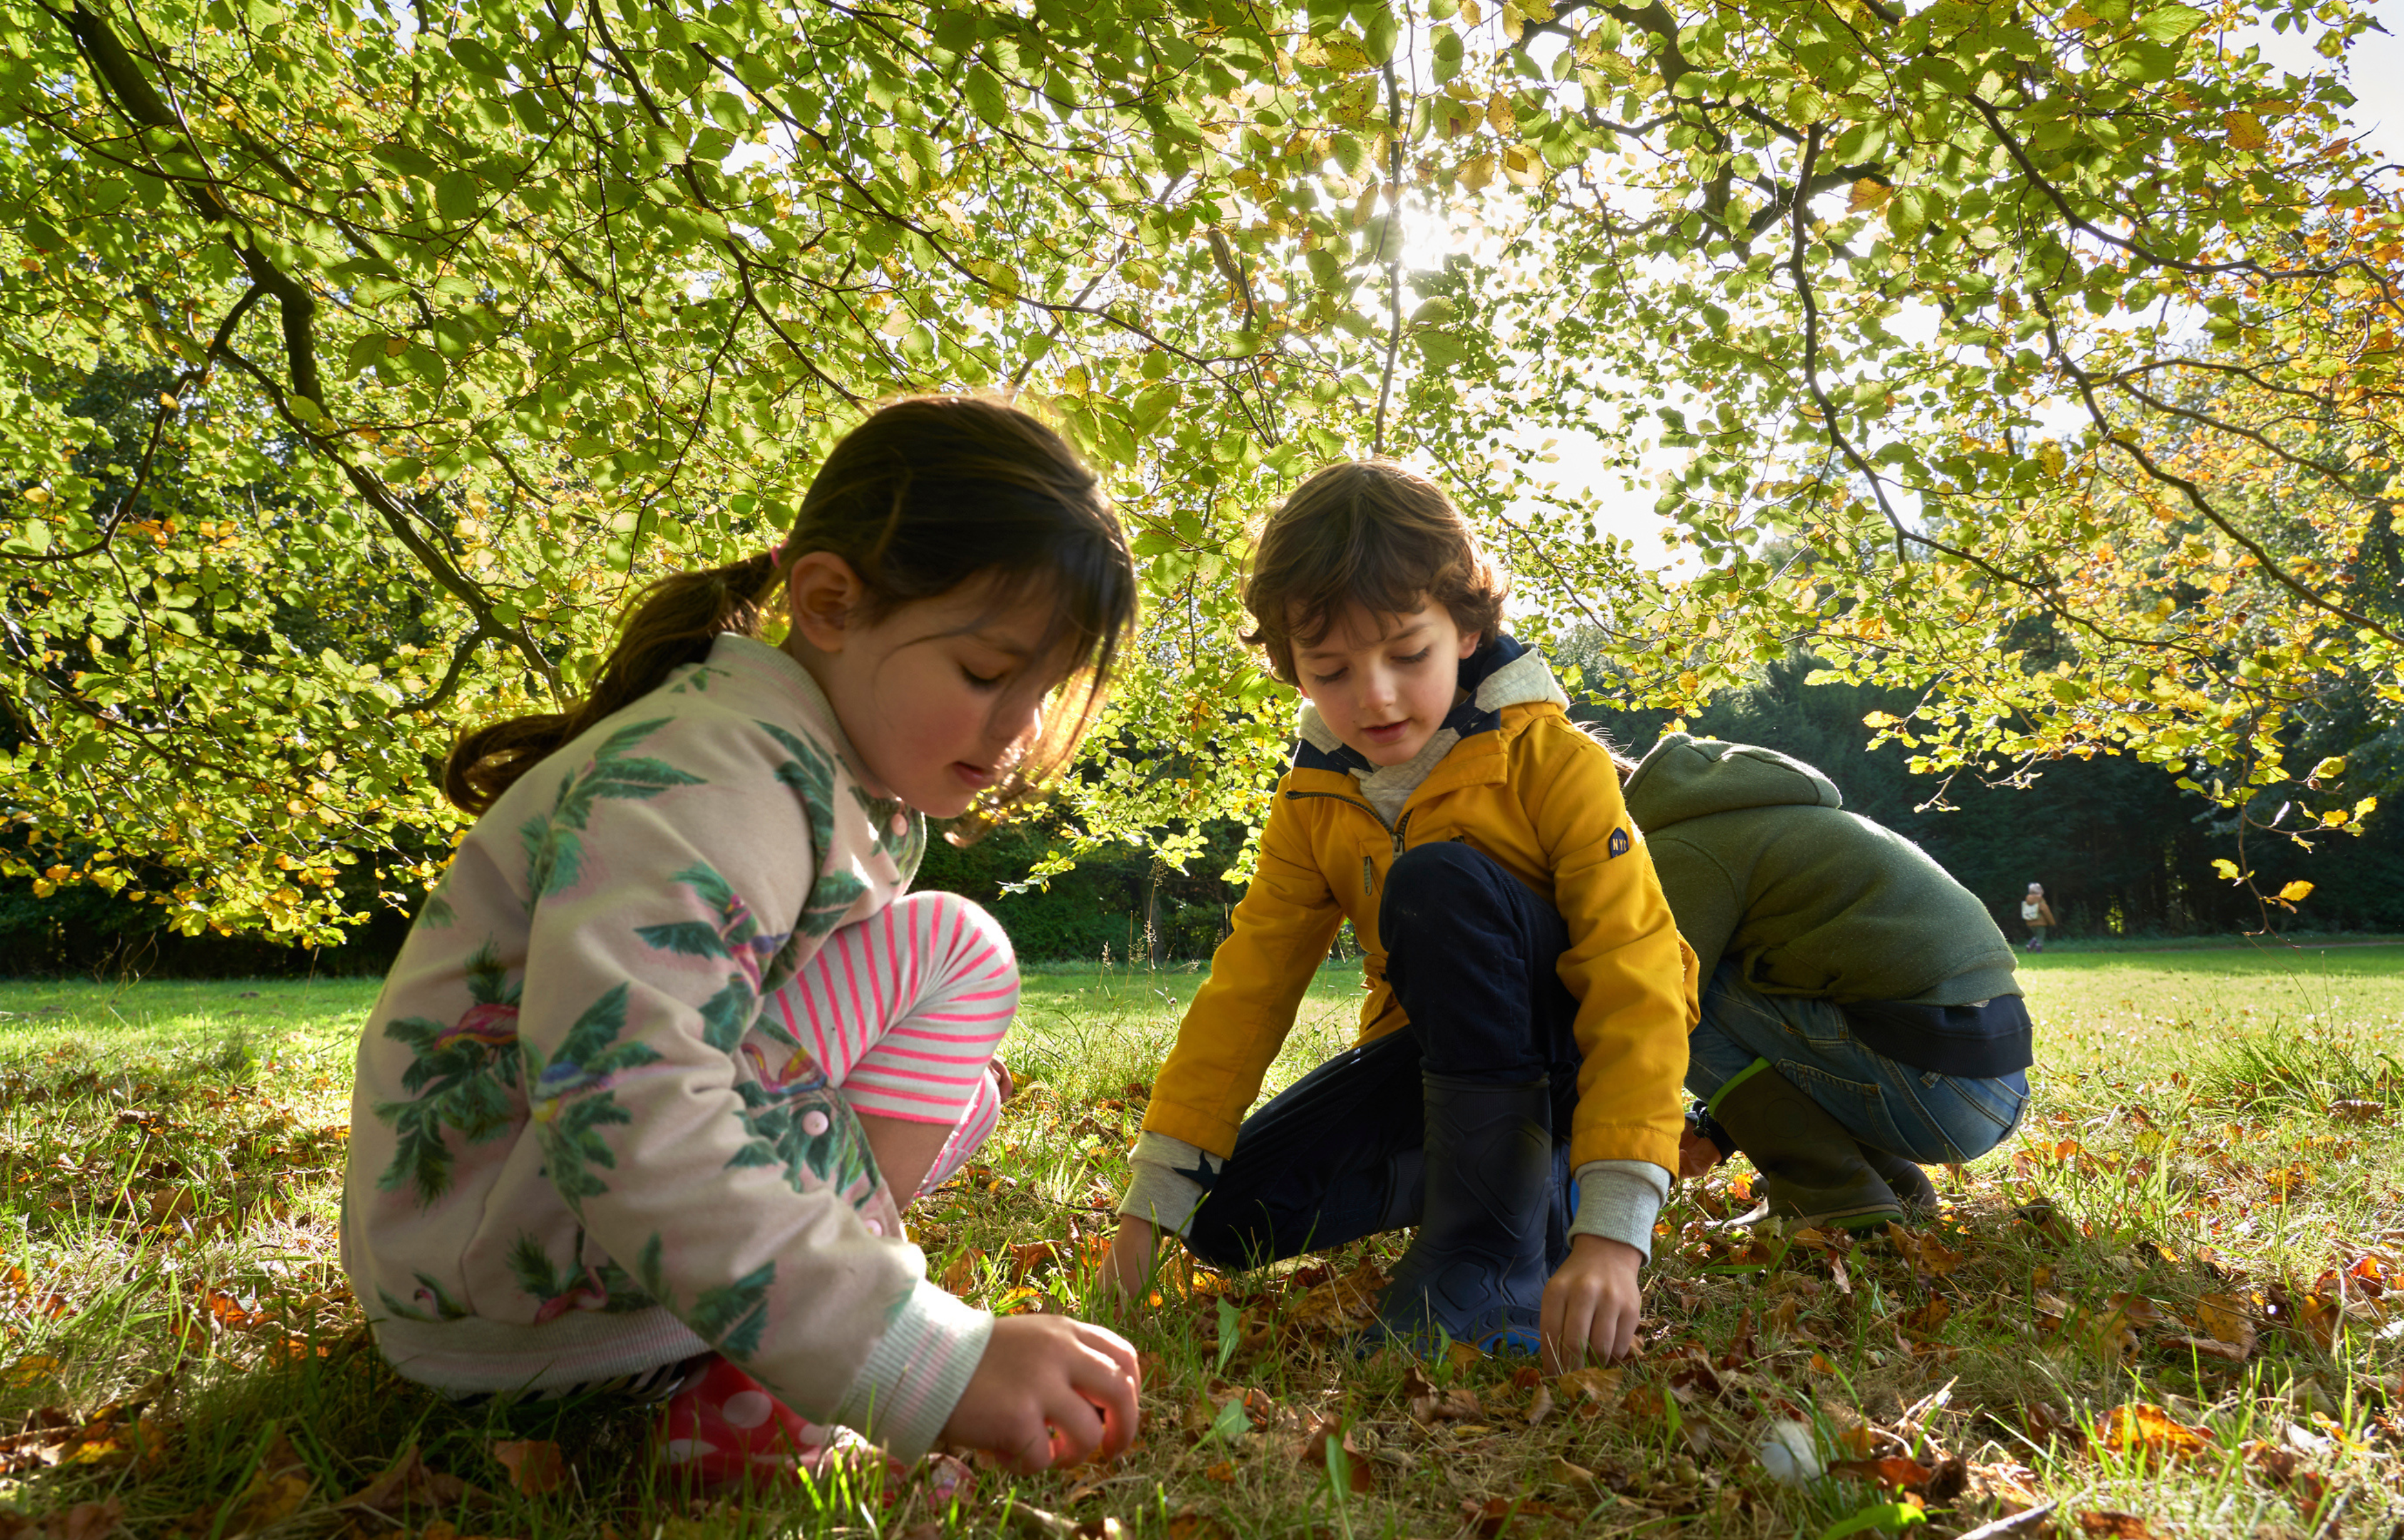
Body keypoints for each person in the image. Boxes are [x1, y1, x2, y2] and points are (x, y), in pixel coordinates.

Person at [342, 397, 1143, 1488]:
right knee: (948, 951)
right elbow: (628, 1092)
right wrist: (923, 1360)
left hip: (508, 1276)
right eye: (986, 672)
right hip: (517, 1294)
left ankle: (772, 1336)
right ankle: (770, 1383)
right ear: (828, 601)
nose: (1016, 731)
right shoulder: (716, 771)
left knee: (954, 1025)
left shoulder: (780, 761)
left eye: (1042, 692)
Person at [1099, 461, 1697, 1371]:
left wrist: (1616, 1232)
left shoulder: (1555, 763)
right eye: (1330, 670)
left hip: (1574, 1058)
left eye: (1407, 656)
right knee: (1230, 1220)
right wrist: (1153, 1208)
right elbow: (1248, 991)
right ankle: (1512, 1186)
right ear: (1291, 666)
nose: (1373, 696)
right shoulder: (1315, 798)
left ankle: (1496, 1256)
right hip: (1442, 1068)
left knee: (1439, 882)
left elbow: (1637, 974)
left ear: (1466, 629)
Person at [1621, 734, 2034, 1230]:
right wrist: (1717, 1128)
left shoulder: (1681, 845)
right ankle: (1889, 1185)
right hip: (1992, 1078)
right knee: (1698, 980)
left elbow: (1653, 1006)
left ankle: (1826, 1192)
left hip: (1935, 1086)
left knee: (1666, 988)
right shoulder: (1769, 816)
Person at [2021, 882, 2057, 952]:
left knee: (2036, 936)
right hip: (2041, 923)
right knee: (2040, 937)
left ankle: (2030, 946)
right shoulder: (2040, 901)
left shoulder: (2028, 901)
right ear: (2040, 892)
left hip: (2030, 922)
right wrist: (2052, 923)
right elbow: (2047, 913)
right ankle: (2038, 951)